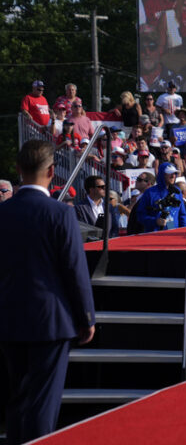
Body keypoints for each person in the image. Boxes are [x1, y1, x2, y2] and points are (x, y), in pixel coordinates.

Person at [0, 140, 95, 444]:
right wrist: (86, 317)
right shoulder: (61, 214)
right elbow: (75, 271)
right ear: (53, 171)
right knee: (43, 402)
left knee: (15, 400)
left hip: (7, 321)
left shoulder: (3, 213)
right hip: (51, 323)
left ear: (17, 169)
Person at [135, 162, 186, 232]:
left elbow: (182, 215)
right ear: (162, 174)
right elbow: (140, 215)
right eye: (170, 173)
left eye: (174, 173)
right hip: (154, 235)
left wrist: (185, 232)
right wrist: (155, 221)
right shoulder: (149, 192)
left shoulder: (177, 192)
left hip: (173, 233)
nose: (173, 176)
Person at [74, 175, 120, 239]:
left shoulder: (109, 207)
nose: (104, 188)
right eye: (101, 187)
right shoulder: (79, 208)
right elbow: (81, 231)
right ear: (91, 189)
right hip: (91, 246)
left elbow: (115, 228)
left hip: (108, 246)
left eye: (105, 186)